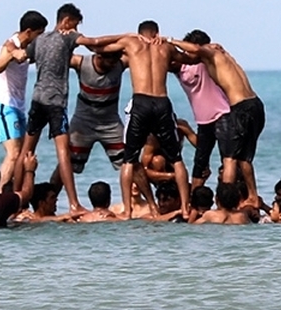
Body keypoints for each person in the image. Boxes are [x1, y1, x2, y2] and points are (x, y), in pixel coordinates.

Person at [23, 4, 125, 214]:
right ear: (67, 21)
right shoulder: (75, 52)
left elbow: (26, 55)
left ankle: (21, 203)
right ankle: (68, 204)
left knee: (26, 151)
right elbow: (93, 43)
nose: (77, 30)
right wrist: (129, 36)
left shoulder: (41, 40)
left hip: (41, 100)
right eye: (76, 25)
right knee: (63, 154)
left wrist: (12, 47)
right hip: (67, 110)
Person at [95, 23, 191, 219]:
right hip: (162, 102)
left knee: (128, 159)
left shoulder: (130, 43)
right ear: (157, 33)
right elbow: (192, 58)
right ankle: (185, 207)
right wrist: (170, 41)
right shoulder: (166, 47)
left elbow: (97, 46)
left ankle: (128, 212)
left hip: (141, 102)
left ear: (139, 34)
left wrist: (124, 35)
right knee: (177, 159)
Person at [167, 33, 266, 208]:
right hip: (255, 104)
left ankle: (227, 204)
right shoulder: (225, 55)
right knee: (244, 159)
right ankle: (252, 196)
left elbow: (197, 49)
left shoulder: (208, 54)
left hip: (238, 108)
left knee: (230, 159)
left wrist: (170, 40)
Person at [0, 10, 48, 193]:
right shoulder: (10, 46)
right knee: (14, 154)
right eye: (40, 33)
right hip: (5, 105)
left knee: (24, 155)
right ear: (29, 31)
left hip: (18, 107)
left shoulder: (25, 47)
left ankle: (16, 194)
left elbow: (30, 56)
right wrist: (11, 56)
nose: (41, 38)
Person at [171, 30, 233, 189]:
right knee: (200, 162)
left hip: (222, 114)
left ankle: (228, 198)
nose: (185, 54)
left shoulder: (205, 61)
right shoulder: (180, 66)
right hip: (203, 120)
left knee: (228, 159)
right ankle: (195, 199)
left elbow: (207, 50)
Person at [65, 50, 128, 179]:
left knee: (129, 162)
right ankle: (49, 196)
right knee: (67, 164)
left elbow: (138, 51)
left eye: (115, 62)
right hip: (83, 123)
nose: (113, 65)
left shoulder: (119, 64)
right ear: (99, 56)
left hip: (111, 123)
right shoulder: (82, 63)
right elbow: (58, 54)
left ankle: (143, 198)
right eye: (110, 61)